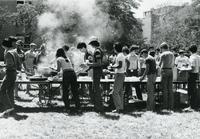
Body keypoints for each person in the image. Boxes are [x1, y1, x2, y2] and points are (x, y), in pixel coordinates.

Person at [0, 36, 21, 117]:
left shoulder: (9, 53)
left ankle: (9, 107)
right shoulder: (14, 51)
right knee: (10, 91)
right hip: (14, 73)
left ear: (4, 46)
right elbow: (19, 64)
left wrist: (2, 66)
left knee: (1, 91)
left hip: (10, 73)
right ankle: (11, 109)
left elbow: (10, 64)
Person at [56, 47, 80, 113]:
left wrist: (52, 69)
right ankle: (78, 108)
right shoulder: (67, 58)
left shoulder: (59, 59)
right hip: (73, 73)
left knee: (65, 91)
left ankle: (67, 108)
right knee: (74, 91)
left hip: (66, 74)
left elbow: (58, 70)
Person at [87, 38, 104, 113]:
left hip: (97, 72)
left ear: (93, 45)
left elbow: (99, 63)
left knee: (97, 89)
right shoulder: (99, 50)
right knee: (96, 89)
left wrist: (90, 64)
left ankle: (99, 107)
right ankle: (98, 106)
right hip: (97, 71)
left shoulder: (97, 51)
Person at [110, 42, 126, 113]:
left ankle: (118, 108)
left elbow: (119, 65)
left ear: (115, 48)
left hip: (119, 74)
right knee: (119, 92)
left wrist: (112, 66)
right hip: (121, 74)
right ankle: (120, 108)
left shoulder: (119, 56)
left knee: (115, 92)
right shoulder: (121, 55)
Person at [159, 42, 174, 111]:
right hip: (171, 71)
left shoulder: (163, 54)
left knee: (164, 89)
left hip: (164, 71)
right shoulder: (172, 54)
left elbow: (159, 64)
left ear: (162, 48)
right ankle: (171, 105)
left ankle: (165, 106)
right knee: (170, 89)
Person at [187, 44, 200, 110]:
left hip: (192, 75)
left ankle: (191, 106)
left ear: (190, 51)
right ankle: (196, 104)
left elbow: (192, 67)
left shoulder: (192, 57)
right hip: (197, 74)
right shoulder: (198, 56)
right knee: (195, 90)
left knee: (191, 90)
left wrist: (185, 70)